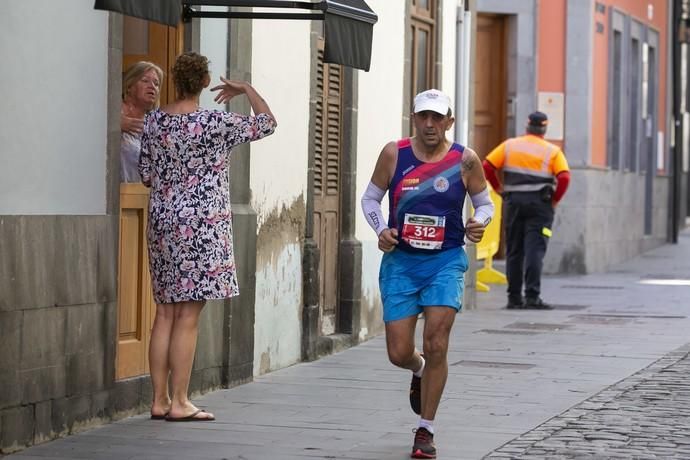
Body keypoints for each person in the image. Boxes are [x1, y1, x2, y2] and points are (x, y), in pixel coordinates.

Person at [139, 52, 277, 421]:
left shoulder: (154, 120)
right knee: (188, 316)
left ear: (174, 79)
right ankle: (181, 401)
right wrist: (245, 88)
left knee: (165, 312)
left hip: (163, 221)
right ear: (204, 82)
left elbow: (146, 174)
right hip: (202, 224)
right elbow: (267, 124)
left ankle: (159, 400)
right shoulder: (214, 120)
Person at [361, 89, 494, 459]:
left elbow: (485, 203)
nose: (430, 124)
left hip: (445, 261)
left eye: (438, 118)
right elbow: (370, 198)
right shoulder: (395, 154)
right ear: (414, 119)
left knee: (437, 341)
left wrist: (478, 222)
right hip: (401, 262)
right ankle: (418, 368)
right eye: (424, 117)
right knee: (398, 351)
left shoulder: (465, 160)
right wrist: (380, 230)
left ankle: (425, 429)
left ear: (449, 121)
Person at [482, 111, 570, 310]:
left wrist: (499, 188)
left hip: (514, 203)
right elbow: (564, 177)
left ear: (527, 126)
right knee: (535, 250)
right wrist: (555, 200)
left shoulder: (510, 146)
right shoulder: (552, 151)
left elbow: (487, 166)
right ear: (544, 128)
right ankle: (532, 296)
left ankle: (514, 298)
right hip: (540, 205)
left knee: (514, 250)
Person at [120, 61, 164, 182]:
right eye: (145, 81)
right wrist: (113, 125)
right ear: (129, 86)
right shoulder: (110, 111)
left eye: (156, 84)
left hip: (139, 194)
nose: (152, 86)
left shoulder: (156, 123)